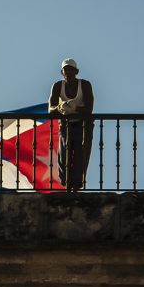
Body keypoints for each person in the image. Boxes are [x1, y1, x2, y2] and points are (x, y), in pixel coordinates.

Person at [48, 58, 94, 191]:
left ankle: (76, 187)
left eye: (71, 70)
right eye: (66, 70)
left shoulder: (84, 85)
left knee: (81, 156)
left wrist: (74, 109)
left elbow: (89, 108)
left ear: (77, 71)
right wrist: (61, 108)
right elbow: (51, 109)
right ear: (62, 72)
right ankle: (67, 185)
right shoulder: (57, 86)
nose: (68, 72)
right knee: (64, 156)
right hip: (66, 126)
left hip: (83, 126)